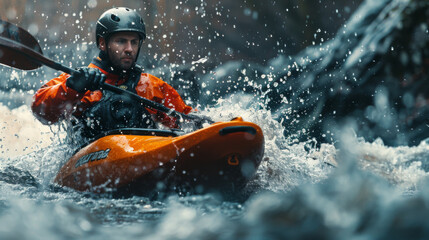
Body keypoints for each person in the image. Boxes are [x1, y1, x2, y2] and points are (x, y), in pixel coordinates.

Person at [31, 7, 193, 140]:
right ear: (102, 43)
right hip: (88, 161)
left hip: (139, 156)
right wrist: (72, 87)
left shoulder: (151, 86)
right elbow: (42, 112)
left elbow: (188, 123)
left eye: (134, 42)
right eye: (121, 41)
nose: (129, 49)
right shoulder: (78, 80)